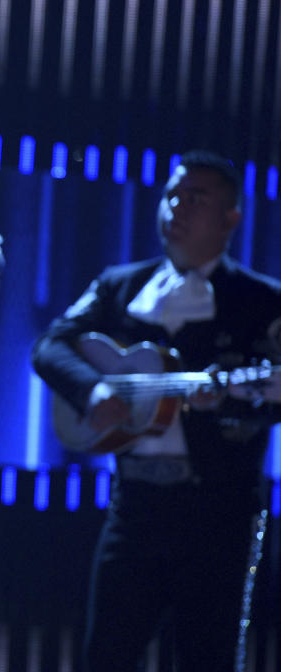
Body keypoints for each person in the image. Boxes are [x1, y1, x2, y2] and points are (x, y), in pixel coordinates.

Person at [32, 150, 281, 671]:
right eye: (172, 196)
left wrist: (230, 406)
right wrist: (95, 391)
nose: (178, 207)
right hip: (135, 507)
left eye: (196, 198)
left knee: (206, 658)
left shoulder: (263, 302)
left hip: (219, 513)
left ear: (231, 217)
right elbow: (52, 347)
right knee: (106, 656)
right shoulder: (121, 285)